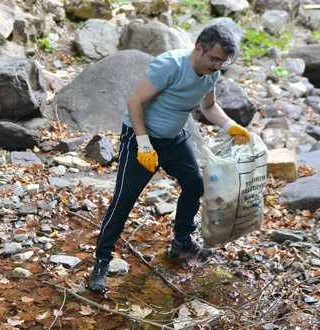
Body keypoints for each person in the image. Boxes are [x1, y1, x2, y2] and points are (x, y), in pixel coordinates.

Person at [87, 24, 250, 294]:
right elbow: (134, 102)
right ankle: (101, 263)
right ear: (199, 47)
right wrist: (143, 145)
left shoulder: (211, 74)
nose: (217, 65)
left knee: (195, 184)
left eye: (222, 61)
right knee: (123, 201)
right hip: (141, 137)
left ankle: (181, 242)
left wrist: (230, 126)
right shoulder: (170, 65)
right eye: (214, 58)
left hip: (174, 138)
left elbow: (208, 107)